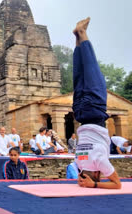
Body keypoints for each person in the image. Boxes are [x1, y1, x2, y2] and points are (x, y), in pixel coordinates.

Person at [72, 18, 121, 189]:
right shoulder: (79, 161)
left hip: (95, 111)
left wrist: (94, 185)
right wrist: (85, 181)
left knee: (91, 68)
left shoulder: (99, 163)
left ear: (97, 174)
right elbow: (83, 174)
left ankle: (82, 33)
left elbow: (117, 185)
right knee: (78, 73)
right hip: (79, 114)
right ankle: (77, 38)